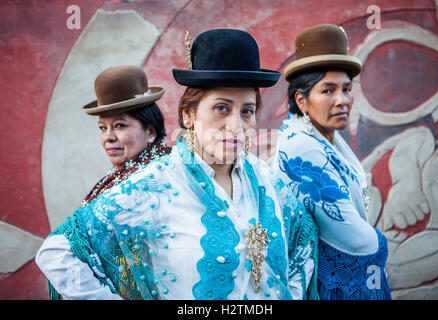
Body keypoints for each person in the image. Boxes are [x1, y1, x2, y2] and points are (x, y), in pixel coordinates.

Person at [36, 29, 319, 300]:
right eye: (221, 108)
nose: (236, 126)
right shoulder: (153, 186)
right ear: (188, 114)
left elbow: (303, 238)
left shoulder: (268, 180)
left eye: (247, 111)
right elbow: (59, 252)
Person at [273, 24, 391, 299]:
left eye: (347, 89)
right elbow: (354, 238)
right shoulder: (301, 147)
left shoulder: (323, 137)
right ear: (301, 100)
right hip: (330, 286)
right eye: (328, 91)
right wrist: (380, 244)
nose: (342, 101)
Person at [35, 65, 170, 299]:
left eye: (120, 125)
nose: (108, 137)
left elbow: (54, 253)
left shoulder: (149, 181)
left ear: (151, 131)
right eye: (102, 128)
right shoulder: (124, 177)